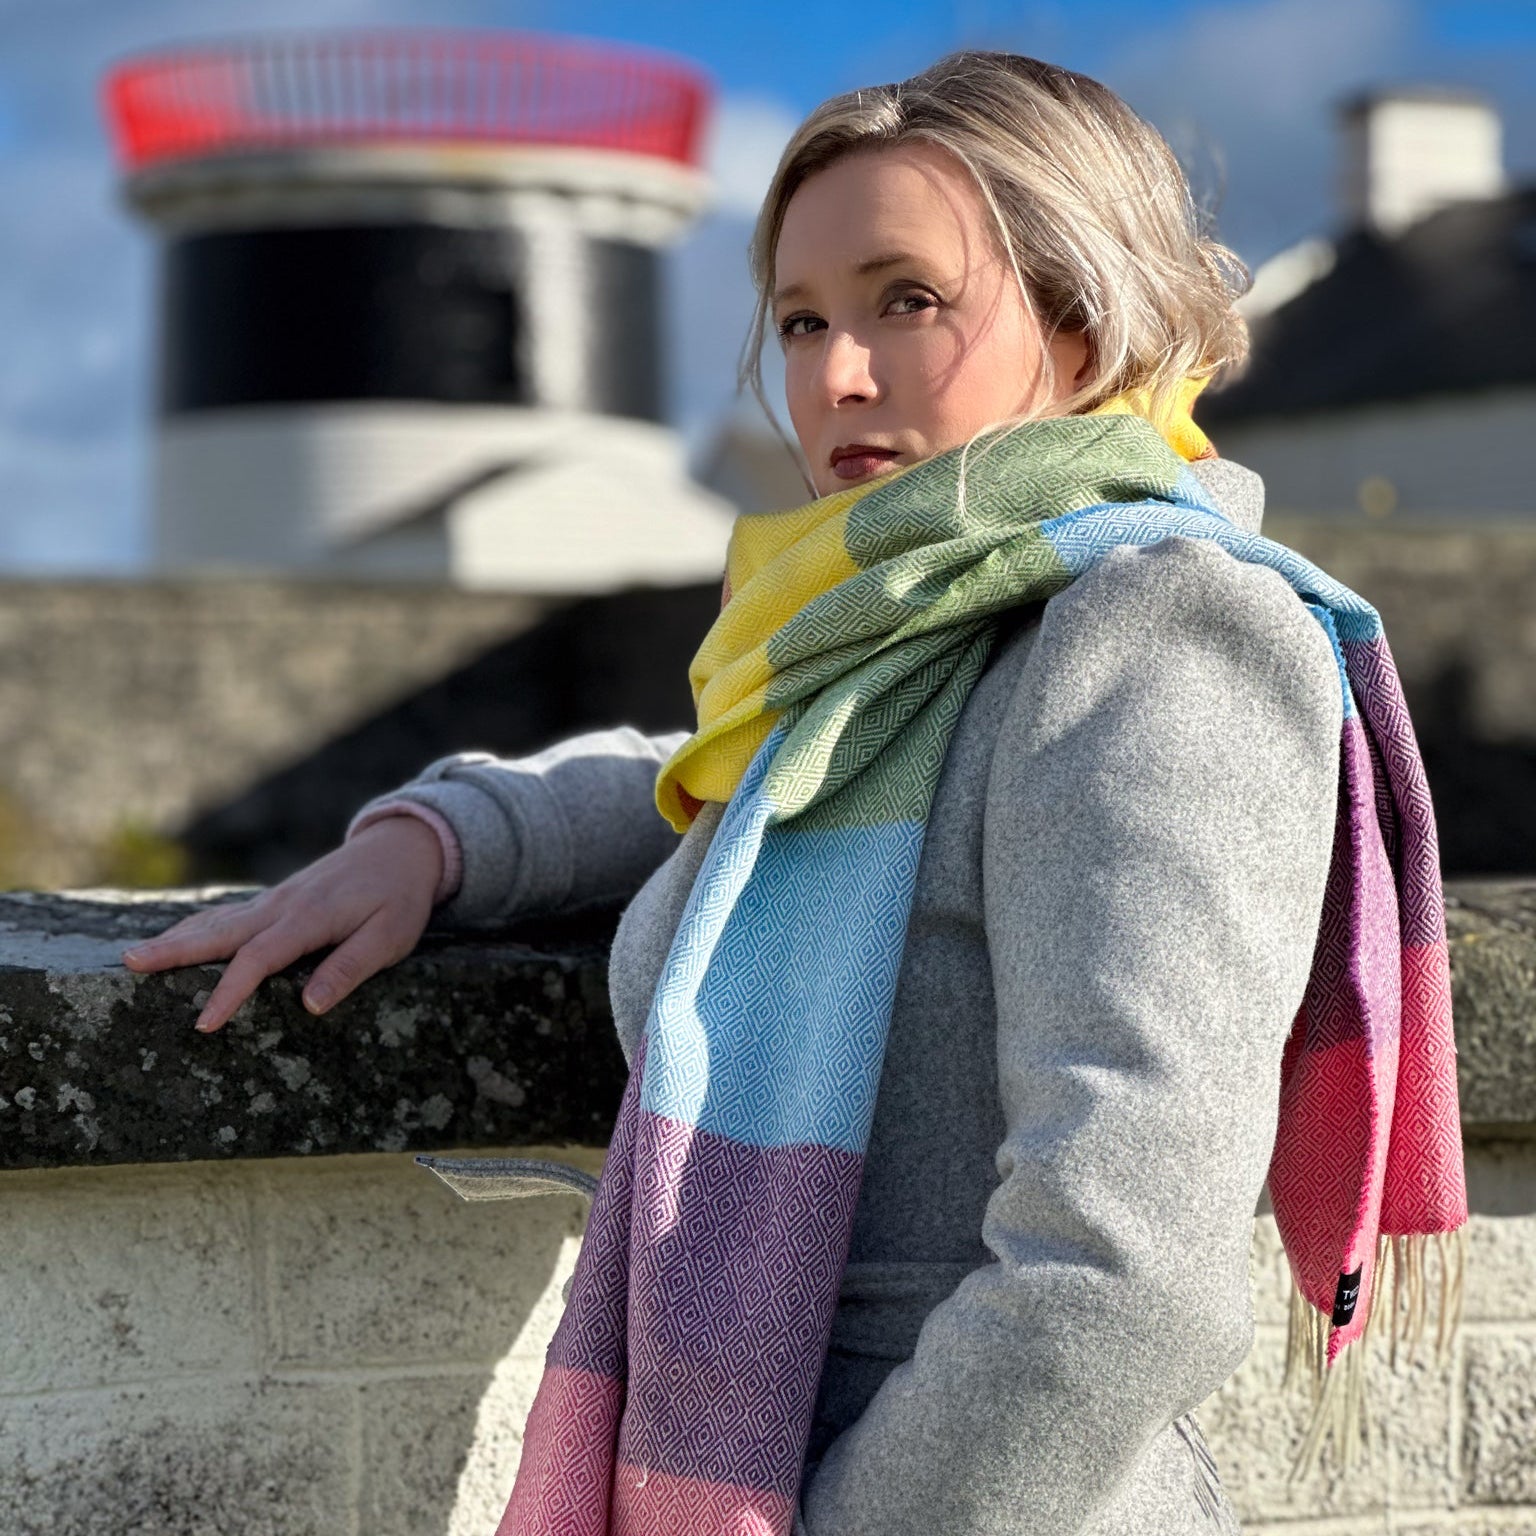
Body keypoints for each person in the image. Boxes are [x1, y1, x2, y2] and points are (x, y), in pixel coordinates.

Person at [124, 50, 1465, 1536]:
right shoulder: (902, 637)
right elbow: (727, 789)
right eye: (803, 317)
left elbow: (1124, 1275)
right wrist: (439, 839)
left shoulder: (1159, 636)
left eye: (909, 300)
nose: (834, 374)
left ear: (1081, 328)